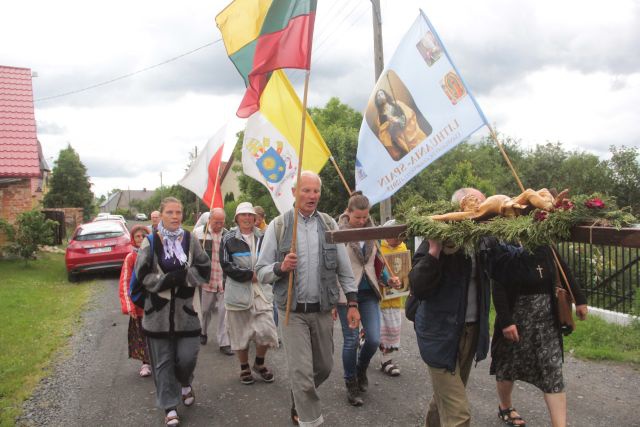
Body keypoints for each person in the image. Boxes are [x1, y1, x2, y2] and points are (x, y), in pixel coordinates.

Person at [256, 171, 360, 427]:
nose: (312, 196)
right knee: (302, 375)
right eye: (306, 190)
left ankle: (299, 397)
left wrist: (353, 303)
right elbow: (261, 271)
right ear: (294, 193)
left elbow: (344, 269)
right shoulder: (279, 226)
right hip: (292, 312)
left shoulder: (329, 225)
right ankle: (310, 420)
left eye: (316, 191)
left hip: (323, 309)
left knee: (323, 368)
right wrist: (280, 267)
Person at [410, 187, 492, 427]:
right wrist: (434, 252)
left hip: (470, 332)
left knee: (444, 399)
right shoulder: (439, 239)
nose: (482, 213)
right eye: (477, 207)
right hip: (438, 333)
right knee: (458, 414)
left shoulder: (484, 240)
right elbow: (418, 286)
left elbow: (507, 267)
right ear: (459, 210)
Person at [488, 244, 588, 427]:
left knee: (552, 368)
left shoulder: (544, 244)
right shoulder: (505, 245)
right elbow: (499, 285)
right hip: (517, 320)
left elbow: (563, 269)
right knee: (508, 364)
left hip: (547, 322)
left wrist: (580, 300)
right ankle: (506, 407)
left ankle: (560, 424)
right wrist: (506, 321)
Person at [134, 197, 211, 427]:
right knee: (163, 363)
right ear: (161, 214)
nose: (175, 216)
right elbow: (142, 275)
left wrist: (185, 278)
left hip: (186, 314)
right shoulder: (150, 242)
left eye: (179, 212)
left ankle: (185, 382)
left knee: (187, 358)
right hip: (157, 317)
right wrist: (165, 280)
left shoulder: (190, 239)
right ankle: (169, 406)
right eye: (170, 212)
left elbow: (204, 268)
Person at [337, 193, 402, 406]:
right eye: (358, 218)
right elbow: (335, 267)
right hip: (348, 295)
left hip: (369, 293)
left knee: (374, 339)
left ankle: (360, 368)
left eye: (365, 217)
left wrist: (388, 279)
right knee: (351, 340)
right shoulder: (339, 234)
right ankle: (350, 382)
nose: (362, 221)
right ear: (348, 213)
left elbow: (376, 262)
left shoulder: (372, 232)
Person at [220, 202, 278, 385]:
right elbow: (226, 264)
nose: (247, 218)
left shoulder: (264, 236)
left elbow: (272, 259)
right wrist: (248, 275)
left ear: (255, 218)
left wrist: (264, 273)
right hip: (238, 291)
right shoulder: (228, 238)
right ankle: (244, 366)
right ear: (236, 218)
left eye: (250, 215)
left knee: (267, 329)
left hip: (262, 290)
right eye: (243, 215)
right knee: (240, 333)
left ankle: (259, 363)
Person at [194, 209, 233, 355]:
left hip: (223, 280)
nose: (219, 225)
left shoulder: (228, 234)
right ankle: (203, 332)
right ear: (209, 219)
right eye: (216, 222)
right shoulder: (199, 233)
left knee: (224, 312)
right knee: (205, 311)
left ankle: (224, 343)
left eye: (222, 222)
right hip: (207, 280)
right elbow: (192, 255)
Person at [118, 224, 152, 377]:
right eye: (137, 236)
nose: (140, 239)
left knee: (157, 334)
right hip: (139, 305)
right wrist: (129, 306)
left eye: (143, 236)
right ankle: (145, 363)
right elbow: (125, 282)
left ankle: (159, 361)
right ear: (133, 239)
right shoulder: (131, 257)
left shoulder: (154, 254)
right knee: (142, 335)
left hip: (154, 304)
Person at [378, 219, 409, 378]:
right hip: (378, 299)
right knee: (376, 331)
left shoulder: (403, 247)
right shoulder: (377, 246)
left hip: (395, 299)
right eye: (395, 236)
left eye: (401, 237)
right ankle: (365, 341)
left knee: (391, 330)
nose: (398, 240)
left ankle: (387, 361)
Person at [374, 88, 426, 160]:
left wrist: (399, 121)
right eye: (378, 96)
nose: (380, 96)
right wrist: (389, 123)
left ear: (385, 95)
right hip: (400, 138)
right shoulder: (379, 118)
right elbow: (383, 134)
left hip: (409, 130)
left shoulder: (396, 103)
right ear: (377, 100)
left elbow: (409, 113)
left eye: (381, 94)